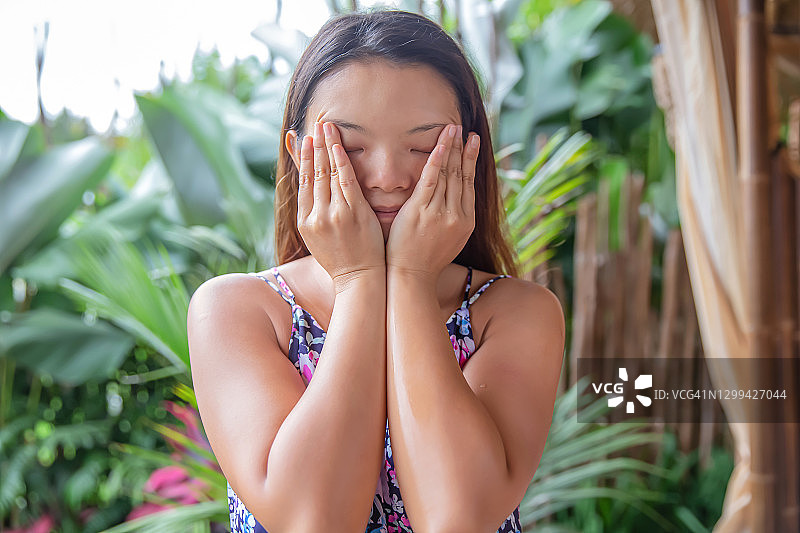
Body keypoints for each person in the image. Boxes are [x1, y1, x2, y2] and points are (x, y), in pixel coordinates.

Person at [187, 9, 565, 533]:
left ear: (469, 153)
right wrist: (359, 279)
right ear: (298, 153)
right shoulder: (236, 311)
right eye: (353, 146)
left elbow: (459, 519)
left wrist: (407, 277)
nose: (387, 177)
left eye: (421, 146)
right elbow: (311, 522)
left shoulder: (515, 314)